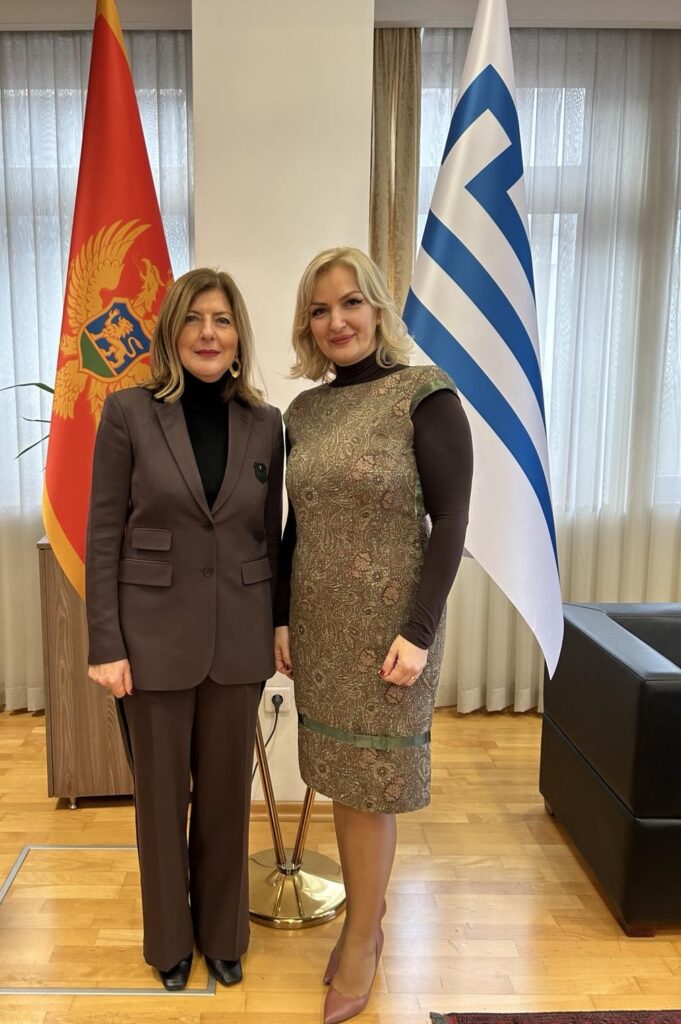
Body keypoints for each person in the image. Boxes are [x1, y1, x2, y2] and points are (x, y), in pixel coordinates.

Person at [274, 247, 472, 1024]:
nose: (337, 321)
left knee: (369, 787)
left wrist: (418, 632)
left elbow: (450, 521)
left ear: (378, 308)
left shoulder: (425, 394)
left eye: (350, 302)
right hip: (320, 627)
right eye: (320, 309)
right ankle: (368, 914)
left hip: (394, 629)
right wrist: (280, 618)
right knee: (339, 776)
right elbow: (294, 530)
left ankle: (361, 938)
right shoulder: (303, 413)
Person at [86, 268, 283, 992]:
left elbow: (269, 535)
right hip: (151, 642)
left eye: (222, 319)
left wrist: (278, 623)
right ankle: (169, 941)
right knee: (161, 803)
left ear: (238, 337)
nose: (208, 332)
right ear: (171, 332)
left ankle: (223, 936)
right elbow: (102, 533)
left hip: (238, 639)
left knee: (228, 799)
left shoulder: (266, 422)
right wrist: (105, 643)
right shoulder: (128, 413)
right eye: (194, 319)